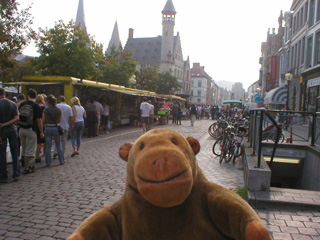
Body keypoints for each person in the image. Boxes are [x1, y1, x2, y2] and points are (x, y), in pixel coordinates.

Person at [18, 88, 44, 174]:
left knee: (24, 148)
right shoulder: (35, 106)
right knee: (30, 150)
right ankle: (26, 167)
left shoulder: (22, 104)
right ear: (35, 96)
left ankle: (26, 164)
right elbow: (38, 120)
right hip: (31, 129)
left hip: (21, 128)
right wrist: (41, 131)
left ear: (28, 95)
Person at [0, 88, 20, 183]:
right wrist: (8, 123)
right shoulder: (12, 104)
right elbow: (16, 118)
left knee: (2, 153)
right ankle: (16, 173)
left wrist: (3, 124)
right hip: (12, 129)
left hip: (2, 130)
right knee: (14, 152)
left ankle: (3, 176)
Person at [42, 95, 64, 167]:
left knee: (48, 146)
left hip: (48, 127)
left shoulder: (46, 109)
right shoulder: (59, 110)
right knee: (58, 144)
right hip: (55, 128)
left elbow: (43, 120)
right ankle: (61, 160)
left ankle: (48, 163)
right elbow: (59, 121)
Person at [35, 94, 46, 163]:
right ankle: (37, 156)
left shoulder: (35, 107)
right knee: (41, 141)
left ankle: (37, 154)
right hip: (41, 125)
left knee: (38, 141)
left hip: (34, 125)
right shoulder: (43, 108)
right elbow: (42, 119)